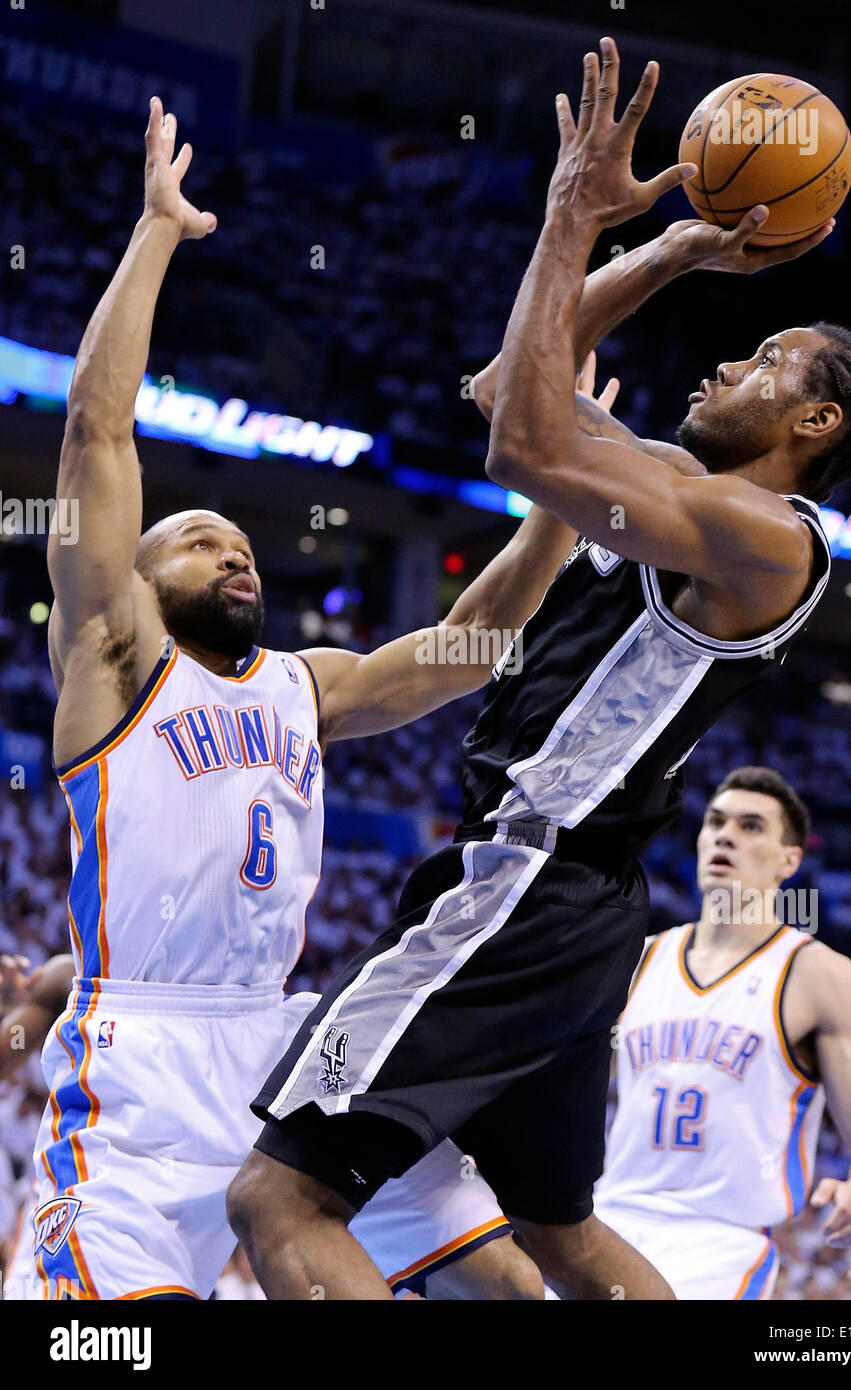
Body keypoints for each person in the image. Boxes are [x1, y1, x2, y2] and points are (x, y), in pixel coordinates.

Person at [228, 44, 851, 1300]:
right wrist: (664, 252)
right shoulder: (672, 486)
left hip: (525, 885)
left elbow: (521, 433)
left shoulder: (769, 543)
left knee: (278, 1194)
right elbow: (508, 382)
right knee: (561, 1234)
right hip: (574, 907)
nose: (721, 365)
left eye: (763, 364)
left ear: (815, 428)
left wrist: (571, 215)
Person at [18, 95, 586, 1301]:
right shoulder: (115, 655)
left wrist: (564, 494)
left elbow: (471, 643)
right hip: (145, 1058)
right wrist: (159, 230)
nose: (237, 556)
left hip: (285, 1037)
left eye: (244, 546)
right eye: (200, 541)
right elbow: (93, 434)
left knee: (504, 1282)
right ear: (137, 573)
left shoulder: (302, 687)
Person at [594, 766, 851, 1299]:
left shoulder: (817, 974)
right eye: (715, 822)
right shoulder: (640, 958)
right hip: (606, 1221)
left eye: (751, 826)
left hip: (719, 1243)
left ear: (790, 859)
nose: (726, 835)